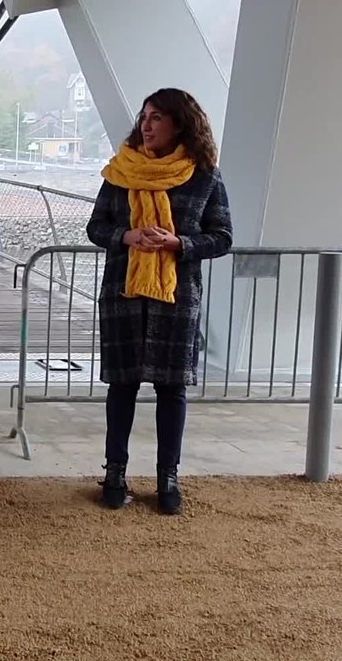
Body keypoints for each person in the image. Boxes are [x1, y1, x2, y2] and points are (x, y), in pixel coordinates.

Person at [85, 88, 233, 516]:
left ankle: (168, 476)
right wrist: (126, 236)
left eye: (157, 118)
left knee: (172, 390)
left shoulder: (204, 175)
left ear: (179, 124)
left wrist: (179, 242)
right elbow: (96, 227)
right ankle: (115, 473)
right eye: (144, 117)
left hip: (177, 296)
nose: (147, 125)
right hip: (123, 294)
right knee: (122, 386)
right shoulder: (118, 173)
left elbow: (222, 237)